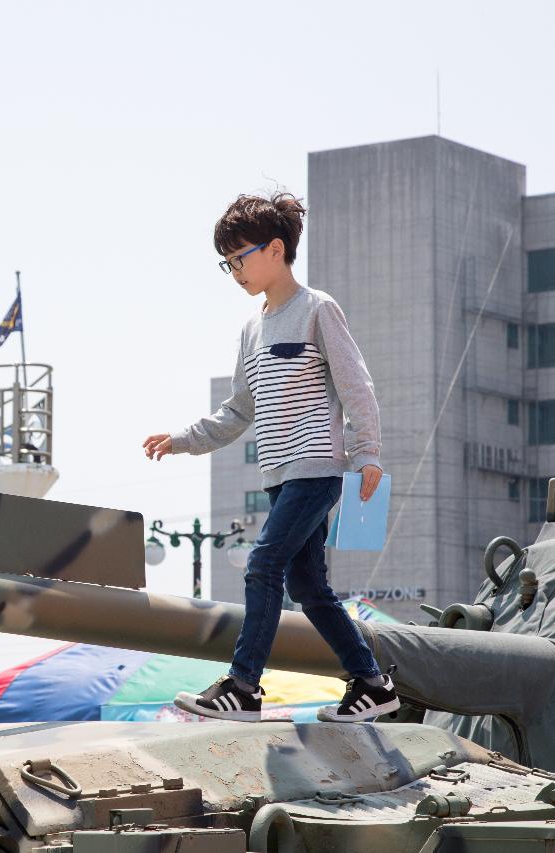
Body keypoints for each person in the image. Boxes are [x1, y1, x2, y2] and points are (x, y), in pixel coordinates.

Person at [142, 192, 399, 724]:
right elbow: (238, 411)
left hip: (318, 469)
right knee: (308, 588)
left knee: (263, 565)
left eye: (240, 257)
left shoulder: (317, 309)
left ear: (276, 249)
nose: (234, 270)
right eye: (227, 262)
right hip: (280, 477)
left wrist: (368, 453)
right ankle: (372, 684)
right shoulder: (252, 330)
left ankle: (244, 686)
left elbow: (357, 385)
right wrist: (182, 437)